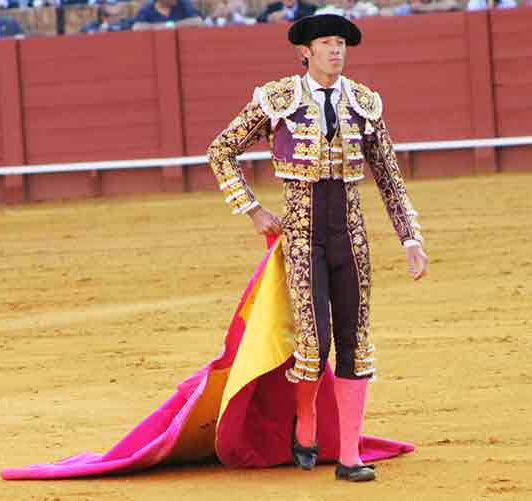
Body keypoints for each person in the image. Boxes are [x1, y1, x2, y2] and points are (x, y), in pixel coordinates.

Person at [207, 13, 428, 482]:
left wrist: (411, 238)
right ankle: (305, 419)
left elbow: (388, 175)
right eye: (327, 42)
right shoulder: (279, 100)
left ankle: (350, 455)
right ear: (305, 51)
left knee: (355, 342)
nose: (337, 50)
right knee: (315, 343)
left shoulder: (365, 103)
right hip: (302, 235)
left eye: (342, 43)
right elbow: (221, 149)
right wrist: (252, 211)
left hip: (350, 235)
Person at [131, 0, 204, 30]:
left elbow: (198, 21)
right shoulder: (147, 9)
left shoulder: (182, 4)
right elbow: (137, 27)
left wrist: (169, 25)